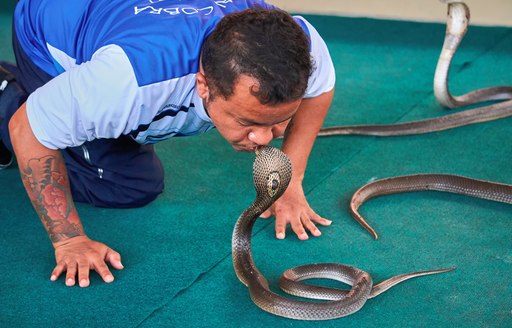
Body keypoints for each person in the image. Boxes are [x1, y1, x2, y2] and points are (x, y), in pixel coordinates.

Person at [0, 0, 335, 287]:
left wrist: (291, 185)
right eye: (248, 122)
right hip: (52, 25)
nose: (264, 139)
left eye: (278, 120)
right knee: (123, 185)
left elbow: (320, 89)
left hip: (122, 32)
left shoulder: (299, 47)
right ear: (203, 85)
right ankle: (8, 89)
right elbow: (27, 128)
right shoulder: (126, 82)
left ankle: (68, 102)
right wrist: (69, 239)